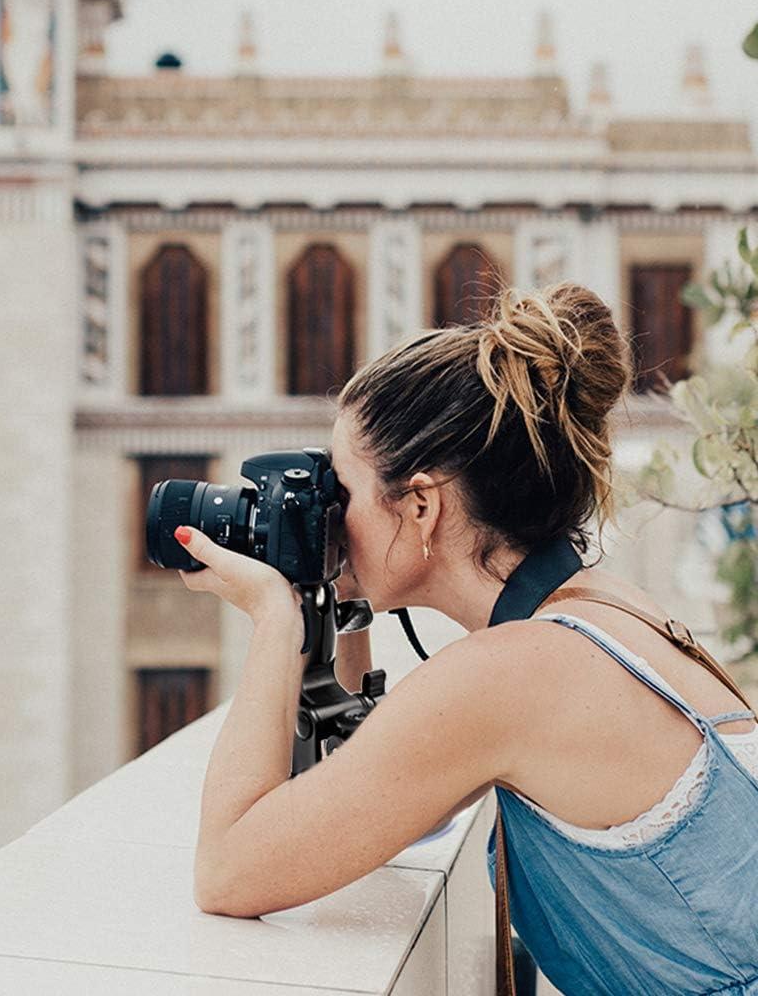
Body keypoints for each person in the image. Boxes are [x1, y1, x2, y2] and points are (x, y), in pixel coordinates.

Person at [175, 282, 758, 995]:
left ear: (420, 504)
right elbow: (380, 809)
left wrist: (274, 619)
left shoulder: (509, 674)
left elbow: (230, 870)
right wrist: (335, 600)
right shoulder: (600, 612)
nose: (328, 513)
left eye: (344, 492)